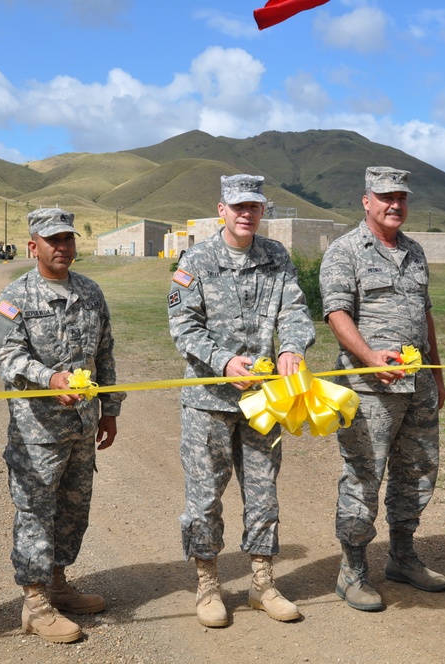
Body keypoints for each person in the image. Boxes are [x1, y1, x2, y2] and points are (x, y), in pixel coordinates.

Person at [168, 174, 315, 627]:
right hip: (209, 400)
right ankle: (208, 584)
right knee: (205, 498)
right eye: (238, 207)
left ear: (262, 210)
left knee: (263, 494)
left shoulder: (276, 257)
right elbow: (183, 325)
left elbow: (294, 310)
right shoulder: (196, 259)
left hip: (263, 402)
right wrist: (224, 361)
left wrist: (291, 346)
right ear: (222, 209)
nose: (246, 214)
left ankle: (262, 583)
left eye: (254, 206)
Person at [0, 207, 124, 643]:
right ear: (33, 247)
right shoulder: (16, 297)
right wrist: (49, 379)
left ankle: (58, 583)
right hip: (38, 432)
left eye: (68, 239)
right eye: (53, 240)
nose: (63, 247)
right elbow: (6, 356)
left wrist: (109, 409)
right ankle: (35, 602)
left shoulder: (90, 291)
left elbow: (103, 353)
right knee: (36, 513)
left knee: (72, 510)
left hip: (83, 426)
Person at [319, 166, 445, 612]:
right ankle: (352, 570)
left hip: (418, 386)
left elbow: (425, 317)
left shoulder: (414, 251)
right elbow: (337, 315)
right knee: (363, 474)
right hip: (368, 389)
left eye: (402, 197)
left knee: (417, 471)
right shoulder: (345, 251)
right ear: (366, 200)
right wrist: (371, 357)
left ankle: (402, 555)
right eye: (386, 196)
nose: (395, 204)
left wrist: (438, 373)